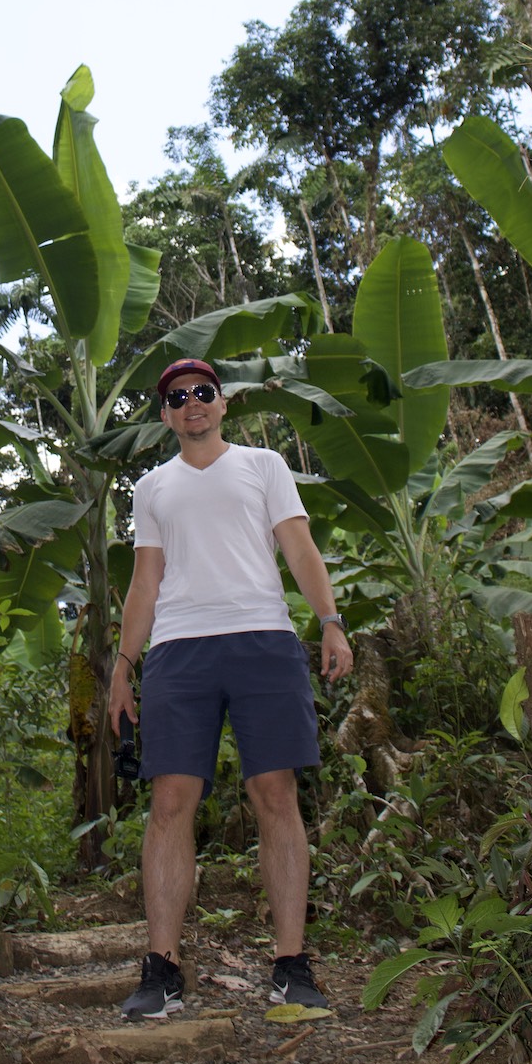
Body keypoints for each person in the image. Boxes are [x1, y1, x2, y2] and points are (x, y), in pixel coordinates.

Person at [108, 357, 353, 1020]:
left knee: (275, 792)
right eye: (178, 396)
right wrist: (123, 665)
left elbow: (300, 549)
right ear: (164, 415)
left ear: (222, 403)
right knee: (170, 800)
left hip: (263, 640)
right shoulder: (152, 488)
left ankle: (290, 964)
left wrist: (329, 622)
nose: (192, 402)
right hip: (179, 651)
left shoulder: (263, 466)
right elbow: (145, 582)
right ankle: (161, 970)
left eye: (203, 392)